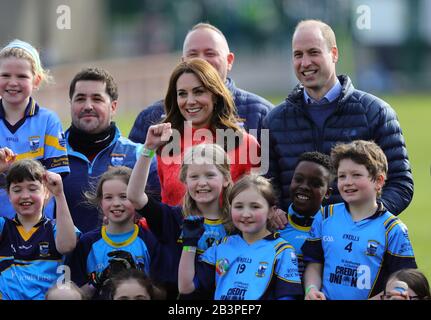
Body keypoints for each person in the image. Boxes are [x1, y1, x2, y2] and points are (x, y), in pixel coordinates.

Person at [263, 19, 413, 216]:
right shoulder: (273, 121)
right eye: (298, 55)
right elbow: (266, 185)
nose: (305, 62)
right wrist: (273, 211)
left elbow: (401, 183)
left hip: (355, 243)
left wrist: (367, 218)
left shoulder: (376, 113)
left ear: (334, 54)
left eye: (313, 52)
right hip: (294, 243)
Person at [302, 140, 417, 300]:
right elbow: (314, 263)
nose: (348, 182)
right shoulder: (325, 215)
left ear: (378, 181)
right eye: (342, 176)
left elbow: (403, 282)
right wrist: (311, 289)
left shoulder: (393, 229)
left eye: (356, 175)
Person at [129, 22, 273, 145]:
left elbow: (273, 175)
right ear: (183, 62)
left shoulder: (260, 114)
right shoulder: (151, 118)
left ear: (229, 61)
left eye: (210, 53)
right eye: (193, 55)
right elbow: (132, 173)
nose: (201, 61)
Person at [148, 58, 260, 206]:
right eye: (182, 94)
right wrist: (148, 150)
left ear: (215, 95)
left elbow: (259, 203)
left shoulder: (245, 143)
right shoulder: (166, 144)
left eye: (198, 92)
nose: (190, 101)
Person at [62, 67, 160, 233]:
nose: (88, 106)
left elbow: (158, 216)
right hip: (68, 258)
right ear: (71, 105)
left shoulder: (139, 155)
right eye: (80, 99)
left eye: (97, 99)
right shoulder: (52, 155)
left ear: (113, 107)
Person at [178, 174, 303, 300]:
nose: (246, 214)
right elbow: (185, 287)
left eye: (255, 207)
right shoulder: (221, 246)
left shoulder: (282, 250)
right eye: (239, 206)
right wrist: (189, 244)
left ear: (271, 211)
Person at [66, 166, 175, 299]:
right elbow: (75, 295)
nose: (116, 203)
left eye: (124, 196)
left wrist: (136, 276)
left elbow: (163, 294)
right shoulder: (87, 243)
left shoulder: (151, 240)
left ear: (136, 198)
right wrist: (97, 281)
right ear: (100, 202)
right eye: (108, 197)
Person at [128, 124, 233, 254]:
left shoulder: (237, 222)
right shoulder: (173, 219)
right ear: (185, 181)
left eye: (210, 175)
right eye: (194, 177)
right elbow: (135, 196)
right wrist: (149, 148)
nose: (202, 183)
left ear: (226, 179)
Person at [0, 39, 69, 219]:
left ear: (36, 80)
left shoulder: (48, 121)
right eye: (5, 75)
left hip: (39, 228)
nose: (13, 82)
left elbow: (56, 179)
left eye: (22, 76)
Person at [0, 158, 79, 300]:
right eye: (17, 190)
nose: (25, 196)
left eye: (32, 189)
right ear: (9, 195)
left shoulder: (56, 228)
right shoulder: (3, 227)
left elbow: (67, 246)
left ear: (47, 192)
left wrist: (59, 194)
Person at [277, 151, 332, 279]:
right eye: (299, 179)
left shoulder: (333, 230)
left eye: (315, 184)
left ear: (328, 193)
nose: (304, 186)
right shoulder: (273, 224)